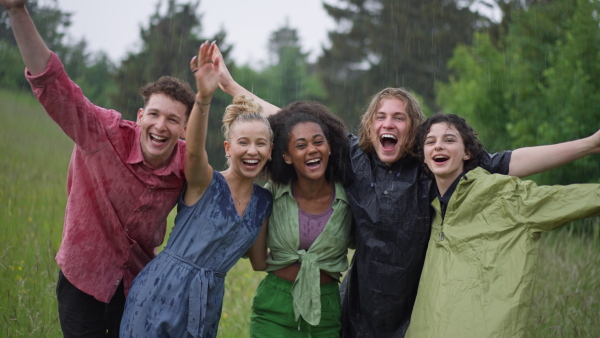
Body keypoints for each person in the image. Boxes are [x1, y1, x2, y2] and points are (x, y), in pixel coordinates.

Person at [210, 44, 600, 337]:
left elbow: (508, 162)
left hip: (413, 308)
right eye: (380, 116)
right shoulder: (356, 160)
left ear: (412, 128)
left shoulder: (429, 167)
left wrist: (590, 144)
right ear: (370, 127)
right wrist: (232, 87)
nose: (388, 123)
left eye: (398, 117)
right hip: (356, 308)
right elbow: (294, 120)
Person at [1, 0, 197, 336]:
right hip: (82, 278)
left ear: (185, 129)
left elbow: (231, 181)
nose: (161, 126)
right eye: (154, 114)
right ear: (139, 116)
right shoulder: (102, 133)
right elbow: (54, 84)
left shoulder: (187, 166)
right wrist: (17, 11)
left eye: (173, 119)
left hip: (136, 288)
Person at [119, 42, 273, 338]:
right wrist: (204, 96)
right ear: (228, 148)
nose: (251, 151)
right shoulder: (205, 181)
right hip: (160, 291)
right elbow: (193, 149)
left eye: (261, 143)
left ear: (270, 151)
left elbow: (260, 261)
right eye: (243, 142)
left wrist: (312, 256)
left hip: (206, 305)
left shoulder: (264, 202)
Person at [405, 113, 599, 337]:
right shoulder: (427, 205)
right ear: (424, 158)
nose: (438, 146)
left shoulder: (500, 193)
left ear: (467, 152)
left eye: (449, 140)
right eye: (431, 142)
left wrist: (591, 145)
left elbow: (559, 199)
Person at [246, 101, 353, 336]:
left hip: (326, 309)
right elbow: (258, 263)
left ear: (330, 147)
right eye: (300, 145)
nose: (312, 150)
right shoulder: (270, 194)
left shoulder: (349, 198)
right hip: (274, 308)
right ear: (286, 156)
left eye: (318, 141)